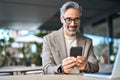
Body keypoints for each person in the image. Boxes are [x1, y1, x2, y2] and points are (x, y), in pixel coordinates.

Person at [42, 1, 99, 74]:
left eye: (76, 19)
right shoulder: (49, 40)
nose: (73, 24)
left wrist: (86, 66)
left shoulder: (88, 41)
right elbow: (46, 68)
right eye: (68, 19)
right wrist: (61, 68)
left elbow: (96, 66)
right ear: (61, 19)